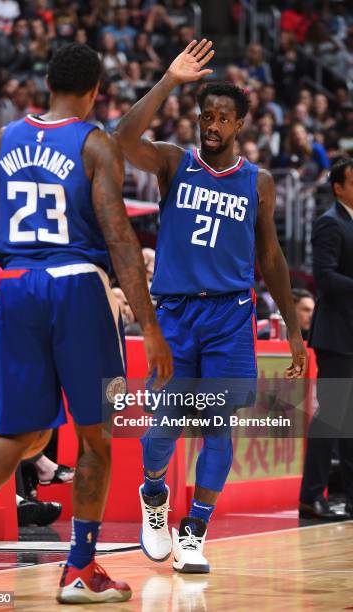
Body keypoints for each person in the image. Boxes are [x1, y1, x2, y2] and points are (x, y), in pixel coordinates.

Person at [0, 42, 173, 604]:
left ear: (46, 84)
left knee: (18, 430)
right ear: (95, 91)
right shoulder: (93, 143)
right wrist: (150, 324)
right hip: (77, 285)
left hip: (17, 286)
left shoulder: (6, 138)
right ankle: (79, 569)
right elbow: (120, 240)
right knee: (96, 439)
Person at [114, 40, 307, 574]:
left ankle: (195, 531)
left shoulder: (258, 183)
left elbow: (271, 257)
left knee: (218, 426)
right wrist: (169, 81)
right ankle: (155, 497)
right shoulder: (174, 163)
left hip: (228, 316)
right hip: (175, 314)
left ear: (241, 123)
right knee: (164, 426)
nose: (212, 124)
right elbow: (121, 138)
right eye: (206, 116)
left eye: (223, 117)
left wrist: (293, 329)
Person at [299, 158, 353, 520]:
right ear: (338, 187)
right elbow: (325, 277)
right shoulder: (330, 222)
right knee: (332, 417)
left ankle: (349, 496)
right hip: (336, 335)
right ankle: (311, 496)